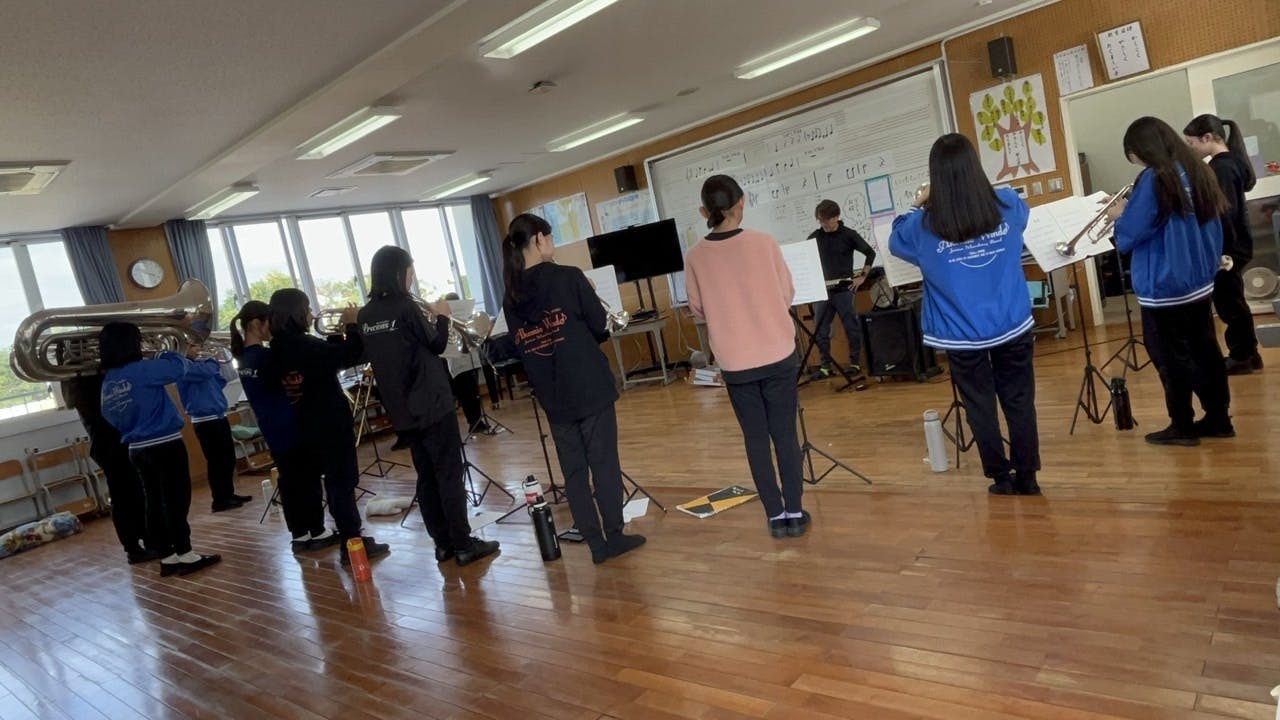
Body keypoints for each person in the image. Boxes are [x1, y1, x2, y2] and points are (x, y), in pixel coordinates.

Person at [888, 133, 1041, 495]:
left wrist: (917, 203)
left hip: (960, 334)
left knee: (979, 405)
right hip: (1012, 323)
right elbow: (1021, 217)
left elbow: (895, 240)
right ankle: (1028, 477)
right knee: (1019, 400)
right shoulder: (1007, 203)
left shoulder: (921, 225)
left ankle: (1000, 478)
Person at [502, 214, 646, 563]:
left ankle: (595, 545)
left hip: (552, 394)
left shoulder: (511, 296)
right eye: (550, 237)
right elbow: (600, 329)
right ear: (539, 239)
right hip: (589, 385)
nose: (552, 243)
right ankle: (614, 536)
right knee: (604, 464)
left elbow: (523, 348)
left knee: (574, 472)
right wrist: (589, 294)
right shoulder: (568, 276)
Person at [358, 246, 500, 567]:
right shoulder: (406, 306)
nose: (412, 277)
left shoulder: (366, 315)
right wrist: (443, 316)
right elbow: (436, 344)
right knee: (449, 474)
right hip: (432, 402)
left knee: (426, 477)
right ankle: (464, 544)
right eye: (410, 271)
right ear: (399, 272)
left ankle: (443, 545)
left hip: (402, 410)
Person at [683, 175, 808, 536]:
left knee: (755, 439)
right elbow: (786, 293)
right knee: (785, 436)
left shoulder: (695, 257)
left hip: (735, 363)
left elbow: (698, 309)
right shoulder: (764, 243)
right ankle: (794, 511)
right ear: (742, 202)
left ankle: (775, 516)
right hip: (778, 353)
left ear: (704, 211)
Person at [1111, 116, 1229, 445]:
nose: (1136, 162)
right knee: (1205, 350)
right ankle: (1219, 418)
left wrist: (1119, 215)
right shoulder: (1196, 169)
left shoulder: (1155, 177)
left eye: (1134, 155)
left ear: (1144, 149)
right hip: (1198, 278)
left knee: (1169, 357)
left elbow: (1132, 232)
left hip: (1165, 285)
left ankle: (1182, 425)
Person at [268, 289, 390, 567]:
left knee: (335, 484)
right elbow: (353, 355)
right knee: (342, 483)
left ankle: (349, 539)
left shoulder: (278, 348)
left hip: (305, 425)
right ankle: (352, 543)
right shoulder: (304, 345)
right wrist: (352, 325)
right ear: (297, 313)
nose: (312, 315)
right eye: (308, 309)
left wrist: (336, 335)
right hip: (330, 424)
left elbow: (328, 361)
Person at [98, 322, 221, 576]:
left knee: (154, 502)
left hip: (136, 448)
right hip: (164, 443)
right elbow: (178, 368)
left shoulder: (109, 380)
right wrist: (166, 351)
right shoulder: (143, 369)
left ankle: (167, 556)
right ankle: (186, 553)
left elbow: (109, 415)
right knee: (177, 500)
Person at [230, 301, 335, 553]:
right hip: (290, 424)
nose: (274, 328)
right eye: (270, 323)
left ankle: (299, 534)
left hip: (271, 427)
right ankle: (318, 530)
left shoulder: (243, 358)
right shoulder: (266, 357)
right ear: (256, 324)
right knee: (307, 479)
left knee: (289, 482)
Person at [1183, 113, 1263, 375]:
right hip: (1235, 243)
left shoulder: (1222, 168)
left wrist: (1219, 251)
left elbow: (1224, 212)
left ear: (1207, 138)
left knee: (1229, 304)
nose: (1190, 148)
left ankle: (1241, 356)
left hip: (1228, 246)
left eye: (1191, 143)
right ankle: (1249, 353)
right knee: (1234, 300)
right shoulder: (1229, 163)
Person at [61, 373, 155, 564]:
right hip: (110, 444)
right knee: (124, 495)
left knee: (134, 492)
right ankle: (133, 548)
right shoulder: (86, 383)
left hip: (114, 442)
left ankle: (146, 540)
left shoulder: (84, 382)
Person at [807, 199, 877, 378]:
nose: (823, 224)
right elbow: (805, 258)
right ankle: (825, 367)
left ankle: (855, 363)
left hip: (844, 289)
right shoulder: (815, 237)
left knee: (851, 327)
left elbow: (870, 253)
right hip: (823, 290)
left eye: (826, 220)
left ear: (836, 217)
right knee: (821, 330)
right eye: (820, 220)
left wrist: (863, 276)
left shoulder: (848, 235)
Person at [176, 351, 251, 513]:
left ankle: (228, 494)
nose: (198, 348)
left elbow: (220, 380)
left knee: (228, 458)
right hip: (204, 420)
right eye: (193, 345)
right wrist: (212, 359)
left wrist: (218, 364)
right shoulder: (182, 365)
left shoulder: (202, 365)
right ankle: (219, 500)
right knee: (216, 461)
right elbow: (206, 372)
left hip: (219, 415)